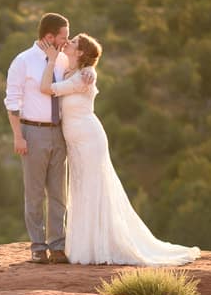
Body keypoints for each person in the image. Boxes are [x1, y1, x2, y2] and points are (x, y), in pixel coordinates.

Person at [40, 33, 200, 266]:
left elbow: (46, 88)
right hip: (74, 142)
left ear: (81, 52)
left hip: (89, 138)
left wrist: (52, 59)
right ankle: (86, 245)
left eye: (73, 42)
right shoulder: (69, 72)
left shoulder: (86, 75)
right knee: (81, 188)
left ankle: (102, 246)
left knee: (95, 188)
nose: (69, 43)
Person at [4, 13, 94, 264]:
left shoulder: (64, 59)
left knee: (59, 193)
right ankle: (37, 246)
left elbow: (79, 74)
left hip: (61, 131)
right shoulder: (23, 61)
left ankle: (57, 245)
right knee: (34, 193)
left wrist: (89, 74)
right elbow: (12, 101)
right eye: (64, 36)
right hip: (32, 132)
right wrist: (18, 137)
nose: (66, 41)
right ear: (49, 37)